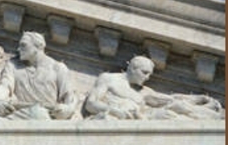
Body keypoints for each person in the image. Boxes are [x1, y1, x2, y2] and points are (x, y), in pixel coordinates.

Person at [84, 55, 223, 120]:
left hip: (142, 117)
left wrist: (199, 99)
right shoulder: (108, 78)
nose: (147, 77)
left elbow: (170, 99)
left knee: (177, 107)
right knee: (170, 115)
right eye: (144, 72)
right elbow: (91, 103)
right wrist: (115, 111)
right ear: (131, 68)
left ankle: (213, 116)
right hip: (120, 117)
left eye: (149, 74)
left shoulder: (143, 91)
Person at [0, 31, 76, 120]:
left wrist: (68, 109)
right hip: (19, 113)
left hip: (46, 114)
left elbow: (69, 96)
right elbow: (4, 86)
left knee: (38, 114)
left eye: (23, 45)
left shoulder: (58, 68)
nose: (18, 49)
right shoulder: (13, 65)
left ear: (39, 46)